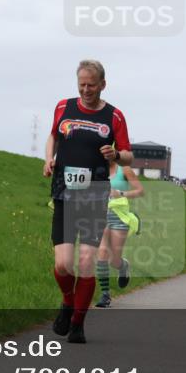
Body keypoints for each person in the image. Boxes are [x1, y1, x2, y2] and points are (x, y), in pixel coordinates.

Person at [44, 60, 131, 343]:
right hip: (64, 193)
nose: (85, 89)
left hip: (94, 194)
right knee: (63, 264)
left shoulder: (114, 116)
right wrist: (49, 158)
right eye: (81, 84)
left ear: (102, 84)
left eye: (91, 85)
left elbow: (128, 154)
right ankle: (68, 301)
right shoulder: (63, 107)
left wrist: (115, 155)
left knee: (85, 261)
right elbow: (53, 136)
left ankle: (78, 323)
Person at [95, 160, 143, 307]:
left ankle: (123, 266)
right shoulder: (94, 168)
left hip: (119, 217)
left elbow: (140, 190)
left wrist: (121, 193)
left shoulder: (125, 170)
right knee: (102, 252)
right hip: (99, 215)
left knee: (113, 260)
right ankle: (105, 294)